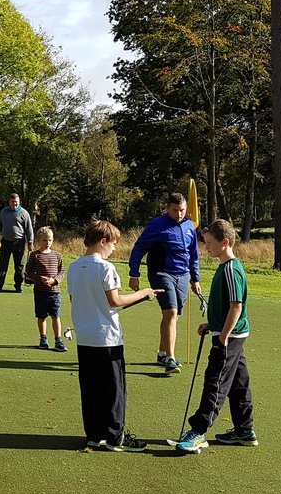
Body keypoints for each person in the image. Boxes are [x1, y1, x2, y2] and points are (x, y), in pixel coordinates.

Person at [67, 220, 160, 452]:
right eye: (113, 244)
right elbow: (115, 301)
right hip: (107, 338)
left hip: (85, 337)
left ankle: (94, 434)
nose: (114, 249)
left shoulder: (74, 267)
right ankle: (115, 436)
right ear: (103, 241)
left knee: (91, 388)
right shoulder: (105, 268)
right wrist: (143, 293)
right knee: (113, 389)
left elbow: (79, 301)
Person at [175, 219, 258, 453]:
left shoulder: (231, 269)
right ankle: (244, 430)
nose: (206, 247)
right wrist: (211, 324)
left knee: (216, 381)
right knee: (238, 383)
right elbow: (224, 308)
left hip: (230, 337)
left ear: (225, 242)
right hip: (228, 333)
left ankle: (199, 431)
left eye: (210, 243)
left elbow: (236, 307)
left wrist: (222, 337)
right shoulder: (224, 267)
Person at [127, 192, 202, 373]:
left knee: (174, 316)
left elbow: (194, 254)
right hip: (161, 272)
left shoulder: (190, 226)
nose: (179, 214)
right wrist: (134, 273)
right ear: (167, 208)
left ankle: (161, 353)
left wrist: (195, 278)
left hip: (183, 275)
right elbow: (139, 248)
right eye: (175, 210)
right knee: (171, 311)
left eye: (182, 210)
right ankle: (170, 359)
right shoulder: (157, 225)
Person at [24, 226, 66, 350]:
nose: (48, 243)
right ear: (39, 240)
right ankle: (43, 339)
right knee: (41, 316)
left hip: (55, 292)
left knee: (56, 316)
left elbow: (62, 272)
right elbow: (29, 272)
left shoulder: (57, 255)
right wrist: (39, 278)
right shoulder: (35, 255)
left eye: (50, 240)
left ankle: (58, 340)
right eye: (45, 240)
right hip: (40, 292)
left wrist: (54, 280)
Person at [0, 193, 34, 293]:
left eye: (16, 202)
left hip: (19, 243)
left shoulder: (24, 213)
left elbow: (29, 229)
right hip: (6, 242)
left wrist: (30, 242)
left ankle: (18, 286)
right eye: (12, 202)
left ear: (19, 202)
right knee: (3, 265)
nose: (14, 204)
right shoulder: (4, 212)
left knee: (19, 266)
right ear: (9, 202)